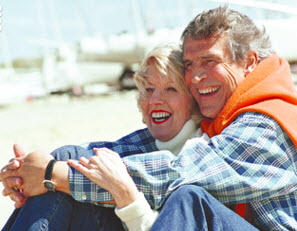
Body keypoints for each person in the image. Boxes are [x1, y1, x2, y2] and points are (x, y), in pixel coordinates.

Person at [2, 5, 297, 230]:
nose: (196, 75)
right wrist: (28, 173)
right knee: (70, 157)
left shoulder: (269, 122)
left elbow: (176, 173)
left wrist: (55, 175)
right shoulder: (217, 119)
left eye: (210, 61)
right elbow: (109, 153)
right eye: (191, 64)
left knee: (188, 199)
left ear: (248, 63)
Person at [1, 44, 210, 231]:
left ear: (193, 99)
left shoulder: (201, 152)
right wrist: (25, 171)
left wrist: (48, 173)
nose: (155, 100)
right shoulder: (144, 142)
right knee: (65, 159)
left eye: (171, 89)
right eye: (148, 89)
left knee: (61, 167)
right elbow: (86, 150)